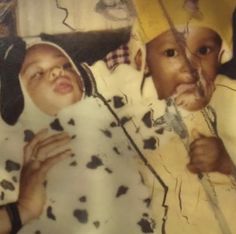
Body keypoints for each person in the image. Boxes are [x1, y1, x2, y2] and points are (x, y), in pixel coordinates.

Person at [0, 41, 160, 234]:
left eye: (66, 65)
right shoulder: (17, 150)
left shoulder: (110, 109)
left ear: (83, 78)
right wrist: (22, 209)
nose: (57, 71)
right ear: (20, 97)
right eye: (37, 74)